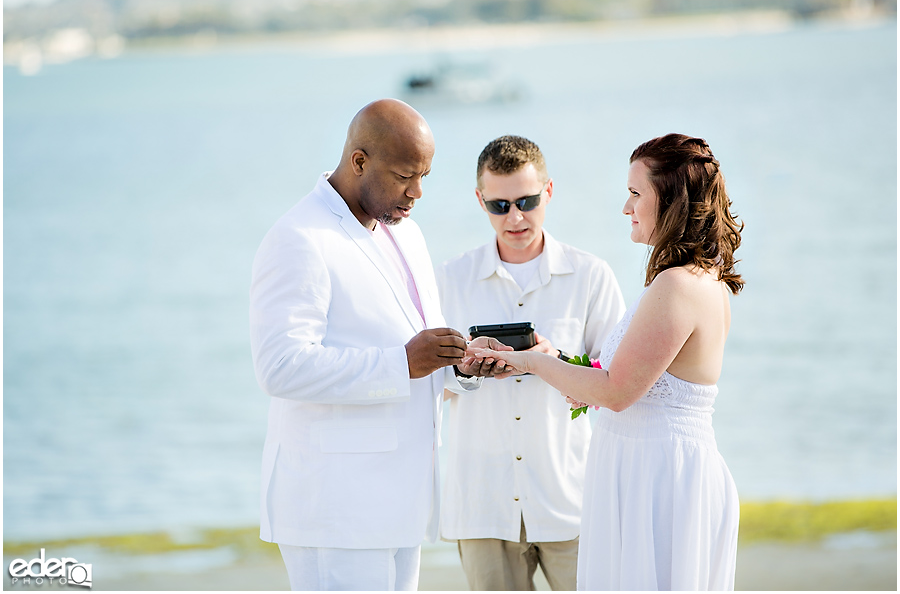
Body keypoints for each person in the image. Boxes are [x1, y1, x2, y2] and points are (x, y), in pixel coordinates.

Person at [249, 99, 508, 591]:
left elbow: (417, 343)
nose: (417, 192)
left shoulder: (402, 229)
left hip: (400, 500)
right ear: (360, 161)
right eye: (405, 175)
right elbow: (279, 367)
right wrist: (400, 364)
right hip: (335, 508)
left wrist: (462, 366)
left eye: (425, 175)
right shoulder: (299, 238)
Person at [468, 133, 744, 590]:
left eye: (636, 193)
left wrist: (529, 363)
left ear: (671, 200)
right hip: (650, 471)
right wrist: (557, 365)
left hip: (660, 484)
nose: (626, 206)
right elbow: (621, 382)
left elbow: (616, 392)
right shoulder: (690, 278)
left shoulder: (678, 285)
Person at [436, 135, 626, 591]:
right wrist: (465, 373)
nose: (515, 217)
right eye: (499, 205)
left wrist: (554, 360)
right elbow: (426, 381)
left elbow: (619, 381)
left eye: (527, 201)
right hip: (481, 503)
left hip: (572, 498)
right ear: (479, 200)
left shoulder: (591, 275)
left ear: (549, 191)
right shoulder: (447, 279)